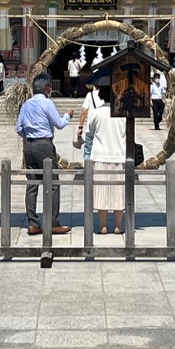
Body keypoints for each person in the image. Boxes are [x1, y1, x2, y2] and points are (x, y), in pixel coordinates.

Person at [16, 73, 71, 235]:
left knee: (32, 184)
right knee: (53, 183)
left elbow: (19, 128)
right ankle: (53, 222)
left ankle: (33, 223)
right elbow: (59, 124)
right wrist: (68, 115)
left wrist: (29, 136)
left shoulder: (26, 104)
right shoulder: (47, 103)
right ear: (46, 88)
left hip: (29, 145)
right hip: (44, 144)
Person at [80, 95, 130, 234]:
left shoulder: (95, 112)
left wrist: (87, 156)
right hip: (119, 155)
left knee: (101, 192)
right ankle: (118, 225)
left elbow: (89, 135)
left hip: (100, 155)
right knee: (118, 193)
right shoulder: (123, 113)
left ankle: (103, 225)